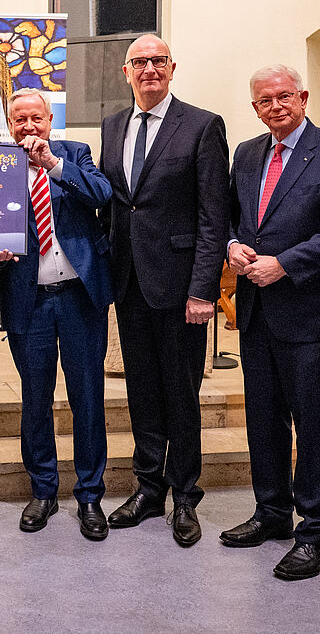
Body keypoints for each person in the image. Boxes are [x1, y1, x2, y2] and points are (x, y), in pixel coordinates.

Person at [223, 64, 320, 580]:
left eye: (284, 96)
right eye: (264, 101)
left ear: (303, 96)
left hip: (307, 307)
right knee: (263, 418)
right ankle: (271, 512)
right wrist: (234, 246)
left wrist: (284, 264)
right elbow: (235, 218)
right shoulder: (247, 153)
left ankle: (315, 532)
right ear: (255, 108)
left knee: (311, 419)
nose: (275, 106)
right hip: (255, 309)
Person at [99, 33, 229, 546]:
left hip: (180, 290)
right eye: (140, 62)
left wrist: (204, 289)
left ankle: (185, 496)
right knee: (142, 392)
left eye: (158, 61)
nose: (149, 70)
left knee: (181, 394)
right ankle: (148, 488)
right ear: (125, 72)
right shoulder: (113, 126)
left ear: (172, 68)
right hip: (130, 283)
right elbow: (116, 205)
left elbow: (213, 215)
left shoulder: (201, 125)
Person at [0, 88, 113, 540]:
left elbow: (101, 194)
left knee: (87, 398)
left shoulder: (74, 154)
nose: (28, 128)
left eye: (35, 119)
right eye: (19, 120)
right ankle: (42, 490)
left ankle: (89, 495)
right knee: (35, 400)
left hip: (80, 297)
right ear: (10, 124)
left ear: (48, 120)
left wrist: (53, 166)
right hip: (30, 299)